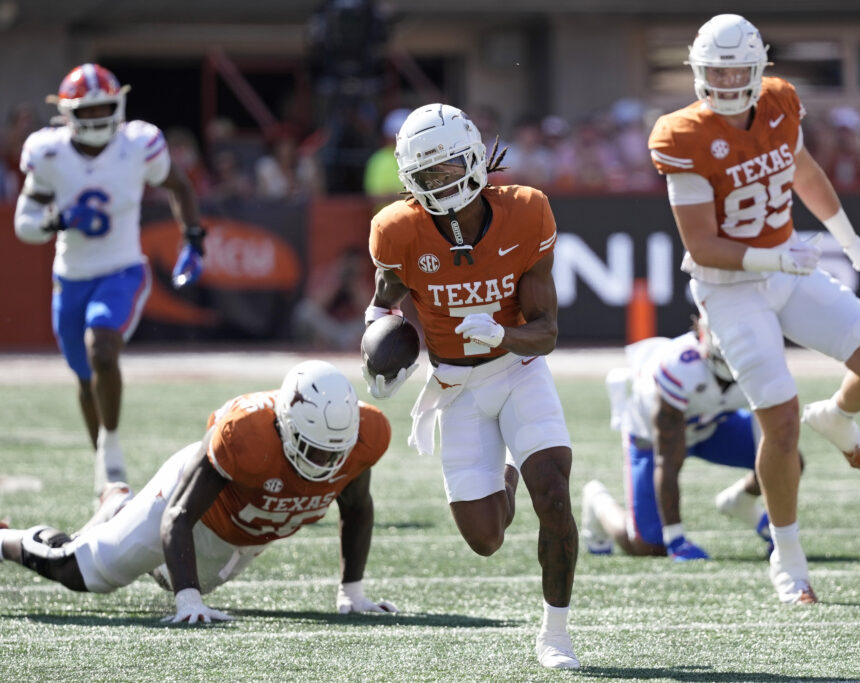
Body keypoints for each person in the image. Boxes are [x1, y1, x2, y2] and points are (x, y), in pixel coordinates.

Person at [648, 14, 860, 604]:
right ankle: (789, 562)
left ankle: (837, 415)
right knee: (780, 421)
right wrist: (773, 260)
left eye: (739, 67)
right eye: (717, 68)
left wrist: (847, 238)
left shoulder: (780, 103)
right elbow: (701, 245)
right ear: (698, 71)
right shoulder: (682, 135)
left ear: (760, 67)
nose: (729, 78)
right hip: (729, 288)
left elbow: (802, 170)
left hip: (786, 264)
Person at [362, 104, 579, 669]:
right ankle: (506, 468)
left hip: (518, 371)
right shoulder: (396, 229)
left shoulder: (527, 212)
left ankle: (556, 634)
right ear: (411, 180)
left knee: (554, 494)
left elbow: (548, 334)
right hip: (455, 385)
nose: (443, 183)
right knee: (485, 538)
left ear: (477, 158)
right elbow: (382, 302)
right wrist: (379, 355)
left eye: (451, 166)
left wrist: (503, 334)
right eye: (428, 175)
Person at [0, 360, 397, 622]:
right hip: (191, 502)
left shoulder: (365, 436)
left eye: (335, 453)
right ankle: (5, 540)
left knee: (169, 577)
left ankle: (119, 504)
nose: (325, 464)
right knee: (83, 572)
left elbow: (357, 506)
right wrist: (188, 601)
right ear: (287, 426)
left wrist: (352, 593)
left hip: (242, 532)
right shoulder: (244, 436)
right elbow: (179, 515)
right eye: (314, 449)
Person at [13, 63, 207, 503]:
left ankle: (113, 454)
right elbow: (24, 221)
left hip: (122, 270)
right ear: (67, 113)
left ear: (118, 104)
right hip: (71, 276)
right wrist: (56, 220)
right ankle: (104, 466)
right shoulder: (49, 153)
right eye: (89, 108)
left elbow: (180, 186)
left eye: (105, 106)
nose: (99, 116)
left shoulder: (137, 145)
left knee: (101, 347)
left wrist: (193, 238)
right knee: (84, 379)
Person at [582, 319, 804, 560]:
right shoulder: (680, 367)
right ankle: (598, 501)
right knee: (648, 546)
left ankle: (739, 503)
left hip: (713, 425)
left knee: (786, 457)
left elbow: (773, 445)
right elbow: (666, 460)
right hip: (653, 437)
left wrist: (783, 532)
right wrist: (675, 540)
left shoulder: (761, 365)